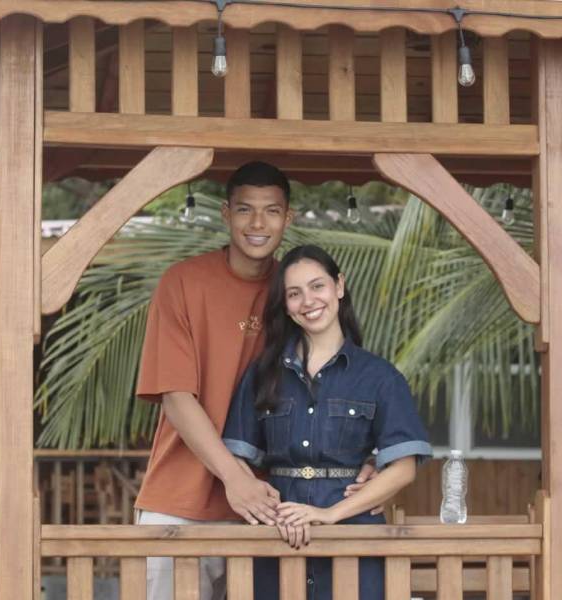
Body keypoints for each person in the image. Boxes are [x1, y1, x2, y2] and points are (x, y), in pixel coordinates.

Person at [135, 163, 379, 600]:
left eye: (271, 211)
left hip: (280, 504)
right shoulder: (183, 283)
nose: (258, 223)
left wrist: (367, 461)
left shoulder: (298, 291)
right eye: (246, 210)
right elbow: (176, 396)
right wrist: (236, 479)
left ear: (289, 218)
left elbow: (342, 378)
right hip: (183, 499)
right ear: (226, 214)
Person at [222, 244, 433, 600]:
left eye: (317, 286)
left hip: (355, 537)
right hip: (277, 538)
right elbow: (236, 458)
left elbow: (404, 468)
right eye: (294, 293)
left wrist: (330, 515)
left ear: (339, 286)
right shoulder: (262, 374)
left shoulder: (380, 376)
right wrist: (266, 509)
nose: (308, 301)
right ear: (285, 306)